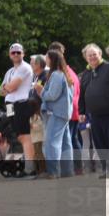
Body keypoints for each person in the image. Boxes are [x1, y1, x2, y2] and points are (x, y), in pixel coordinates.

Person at [79, 43, 109, 178]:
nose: (92, 57)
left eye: (95, 54)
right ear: (85, 58)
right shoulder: (86, 73)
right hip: (95, 116)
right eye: (90, 55)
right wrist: (81, 112)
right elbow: (82, 94)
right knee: (100, 143)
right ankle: (107, 169)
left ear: (100, 55)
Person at [0, 43, 37, 178]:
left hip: (21, 104)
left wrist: (7, 88)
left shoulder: (25, 68)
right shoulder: (10, 71)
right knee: (18, 135)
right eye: (13, 52)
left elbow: (11, 87)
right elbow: (1, 90)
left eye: (18, 52)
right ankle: (27, 166)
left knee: (24, 136)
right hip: (10, 105)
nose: (15, 54)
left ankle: (30, 169)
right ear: (9, 55)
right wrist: (6, 88)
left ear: (23, 54)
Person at [37, 49, 74, 179]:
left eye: (47, 58)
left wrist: (40, 91)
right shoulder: (64, 74)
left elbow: (52, 95)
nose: (45, 60)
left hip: (56, 113)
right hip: (64, 113)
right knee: (64, 143)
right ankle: (67, 171)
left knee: (51, 142)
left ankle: (53, 172)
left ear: (52, 60)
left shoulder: (57, 75)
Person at [50, 42, 83, 175]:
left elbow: (56, 94)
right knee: (73, 139)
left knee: (68, 140)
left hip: (67, 110)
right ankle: (76, 167)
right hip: (73, 109)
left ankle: (72, 167)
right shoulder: (69, 71)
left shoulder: (61, 73)